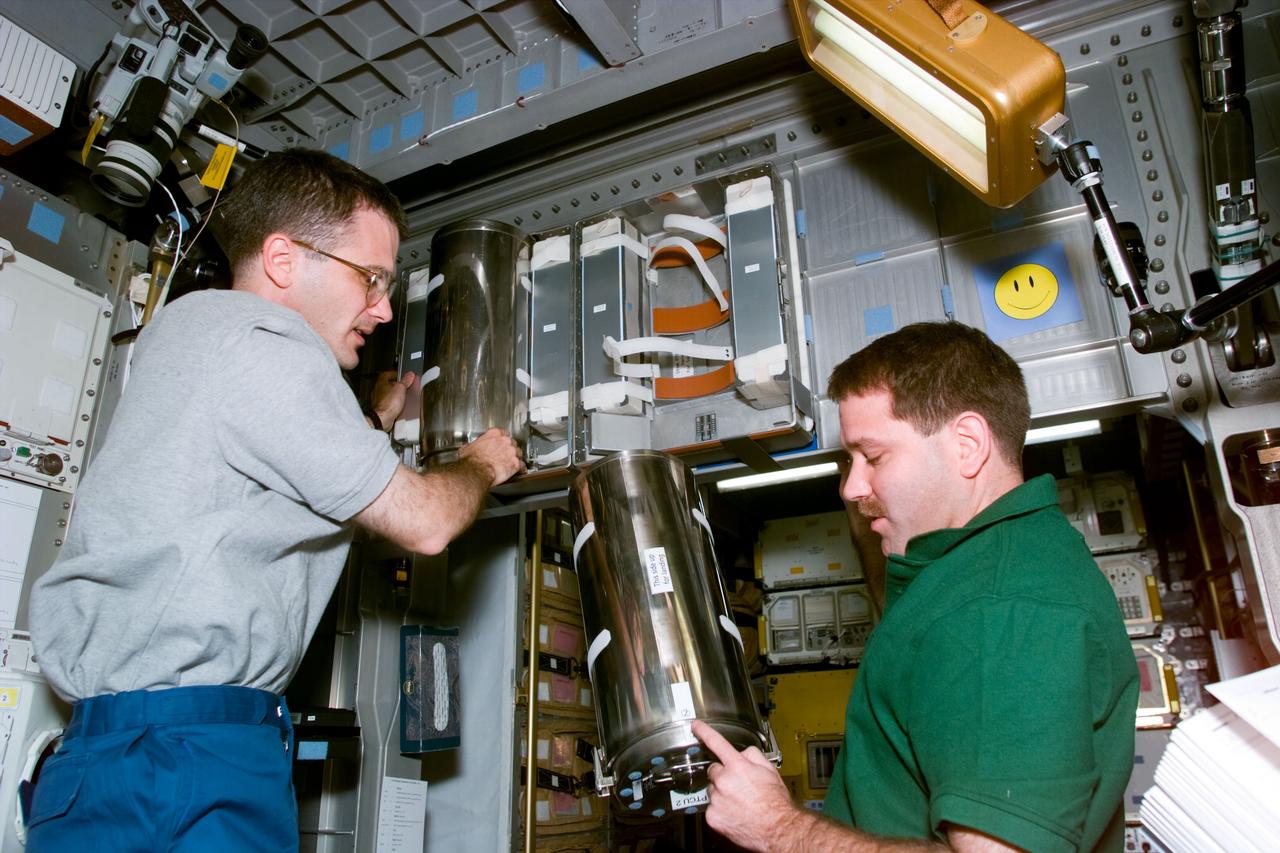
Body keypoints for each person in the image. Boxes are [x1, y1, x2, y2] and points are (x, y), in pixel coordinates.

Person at [27, 149, 524, 851]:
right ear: (285, 260)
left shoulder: (200, 337)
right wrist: (480, 462)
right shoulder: (265, 345)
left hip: (121, 756)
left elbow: (274, 477)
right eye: (373, 278)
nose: (382, 308)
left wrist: (374, 424)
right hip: (186, 758)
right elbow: (427, 521)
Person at [692, 321, 1138, 853]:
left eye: (873, 457)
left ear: (967, 445)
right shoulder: (979, 564)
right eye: (849, 462)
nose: (853, 487)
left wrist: (777, 827)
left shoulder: (996, 610)